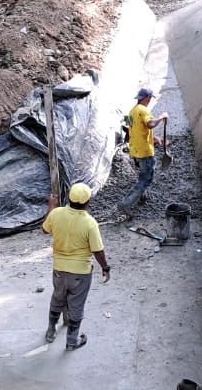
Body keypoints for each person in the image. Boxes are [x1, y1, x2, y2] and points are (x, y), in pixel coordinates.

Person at [41, 181, 110, 350]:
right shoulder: (90, 223)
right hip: (80, 272)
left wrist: (51, 206)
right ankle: (72, 341)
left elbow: (45, 230)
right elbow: (97, 251)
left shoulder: (56, 214)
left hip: (58, 269)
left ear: (70, 197)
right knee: (76, 305)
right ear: (87, 202)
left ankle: (51, 331)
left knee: (57, 298)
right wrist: (105, 267)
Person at [119, 86, 168, 214]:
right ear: (147, 98)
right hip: (144, 152)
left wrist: (156, 139)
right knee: (146, 178)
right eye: (150, 98)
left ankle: (142, 197)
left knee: (142, 173)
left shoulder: (132, 111)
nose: (150, 100)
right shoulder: (144, 110)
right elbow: (150, 124)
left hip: (134, 151)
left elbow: (136, 131)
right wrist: (162, 117)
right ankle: (126, 203)